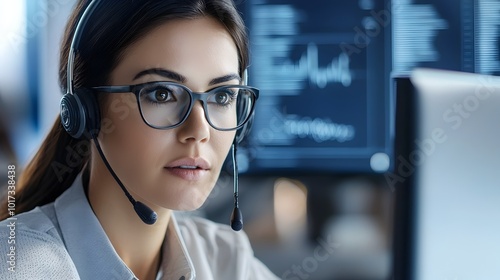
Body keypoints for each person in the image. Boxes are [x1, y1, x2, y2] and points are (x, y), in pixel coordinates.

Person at [0, 0, 280, 279]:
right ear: (88, 111)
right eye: (161, 94)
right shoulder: (21, 265)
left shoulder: (225, 258)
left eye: (222, 96)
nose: (199, 130)